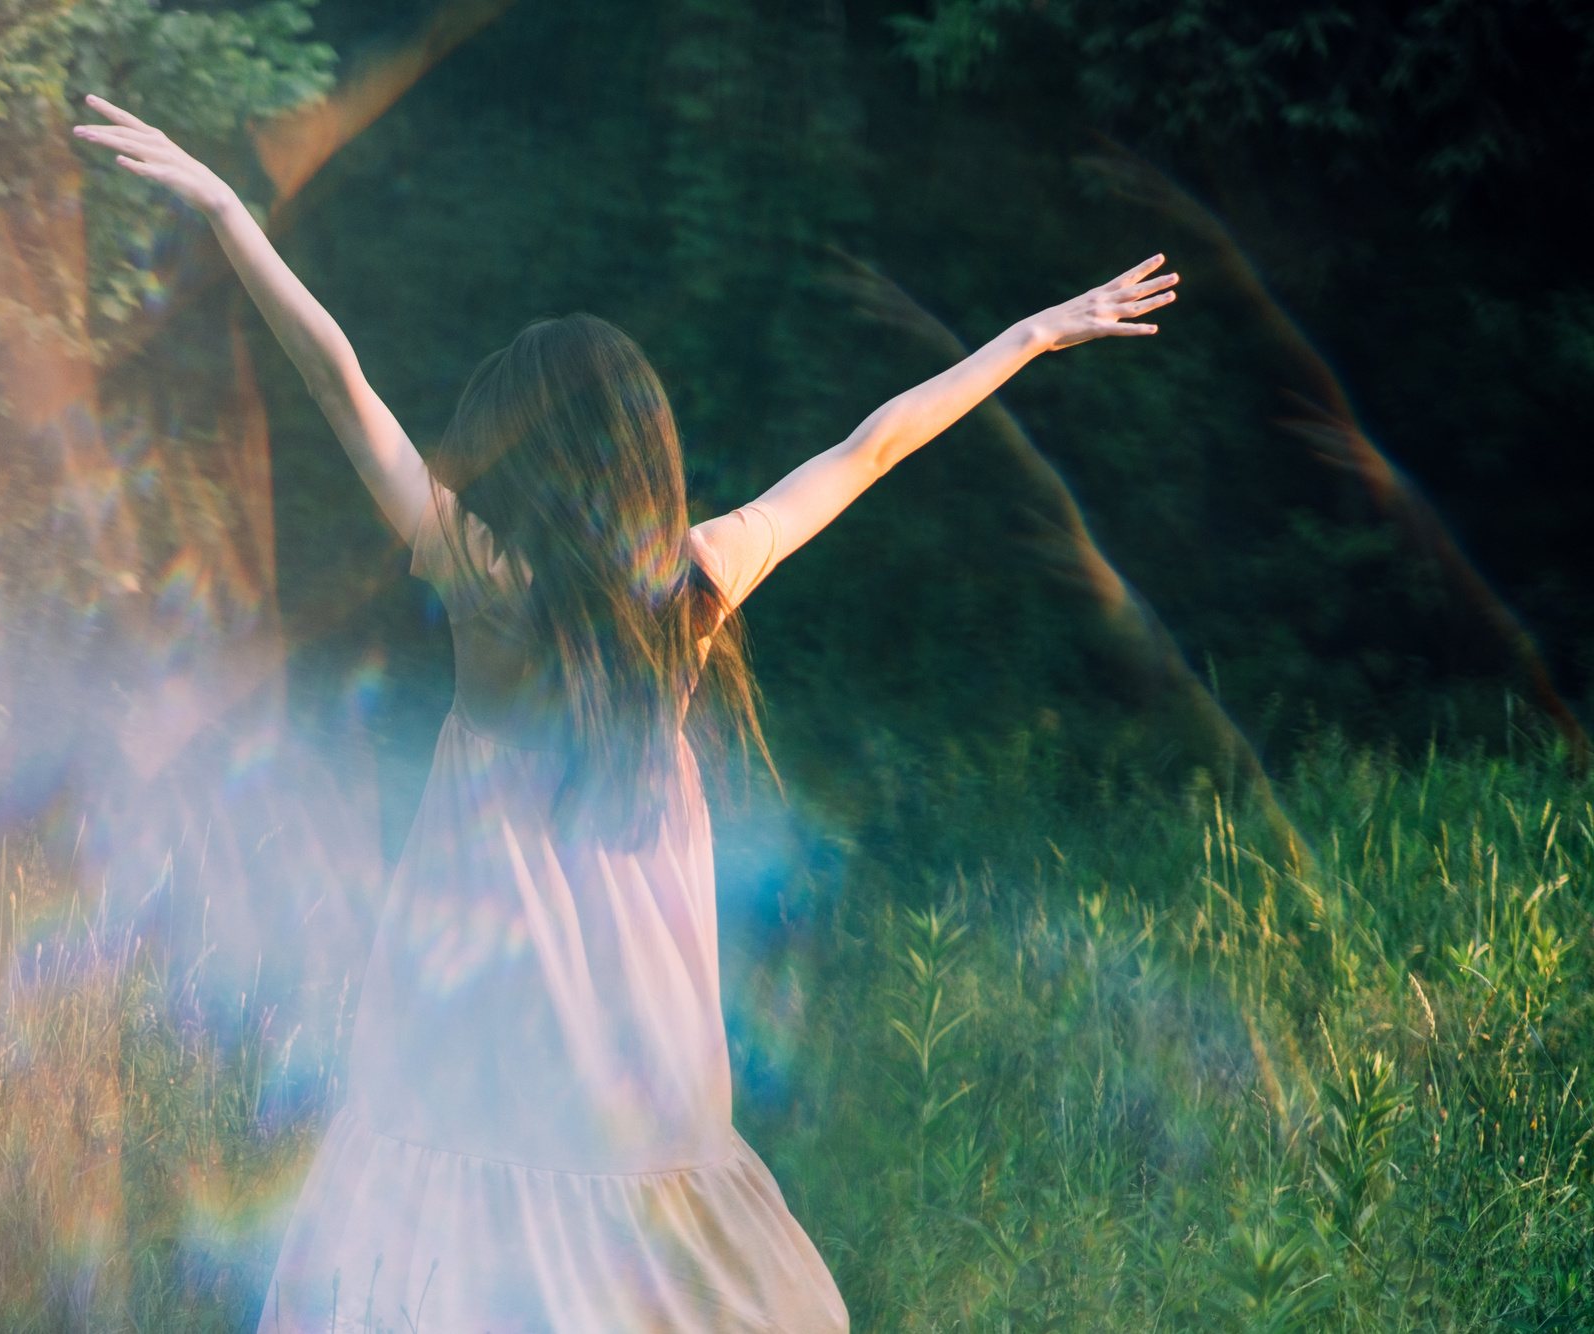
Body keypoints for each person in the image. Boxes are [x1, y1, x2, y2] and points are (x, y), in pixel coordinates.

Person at [75, 93, 1176, 1333]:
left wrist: (229, 210)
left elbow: (341, 389)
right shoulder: (698, 585)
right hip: (648, 1096)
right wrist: (1029, 332)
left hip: (477, 1085)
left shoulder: (480, 579)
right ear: (642, 459)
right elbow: (870, 448)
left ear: (523, 457)